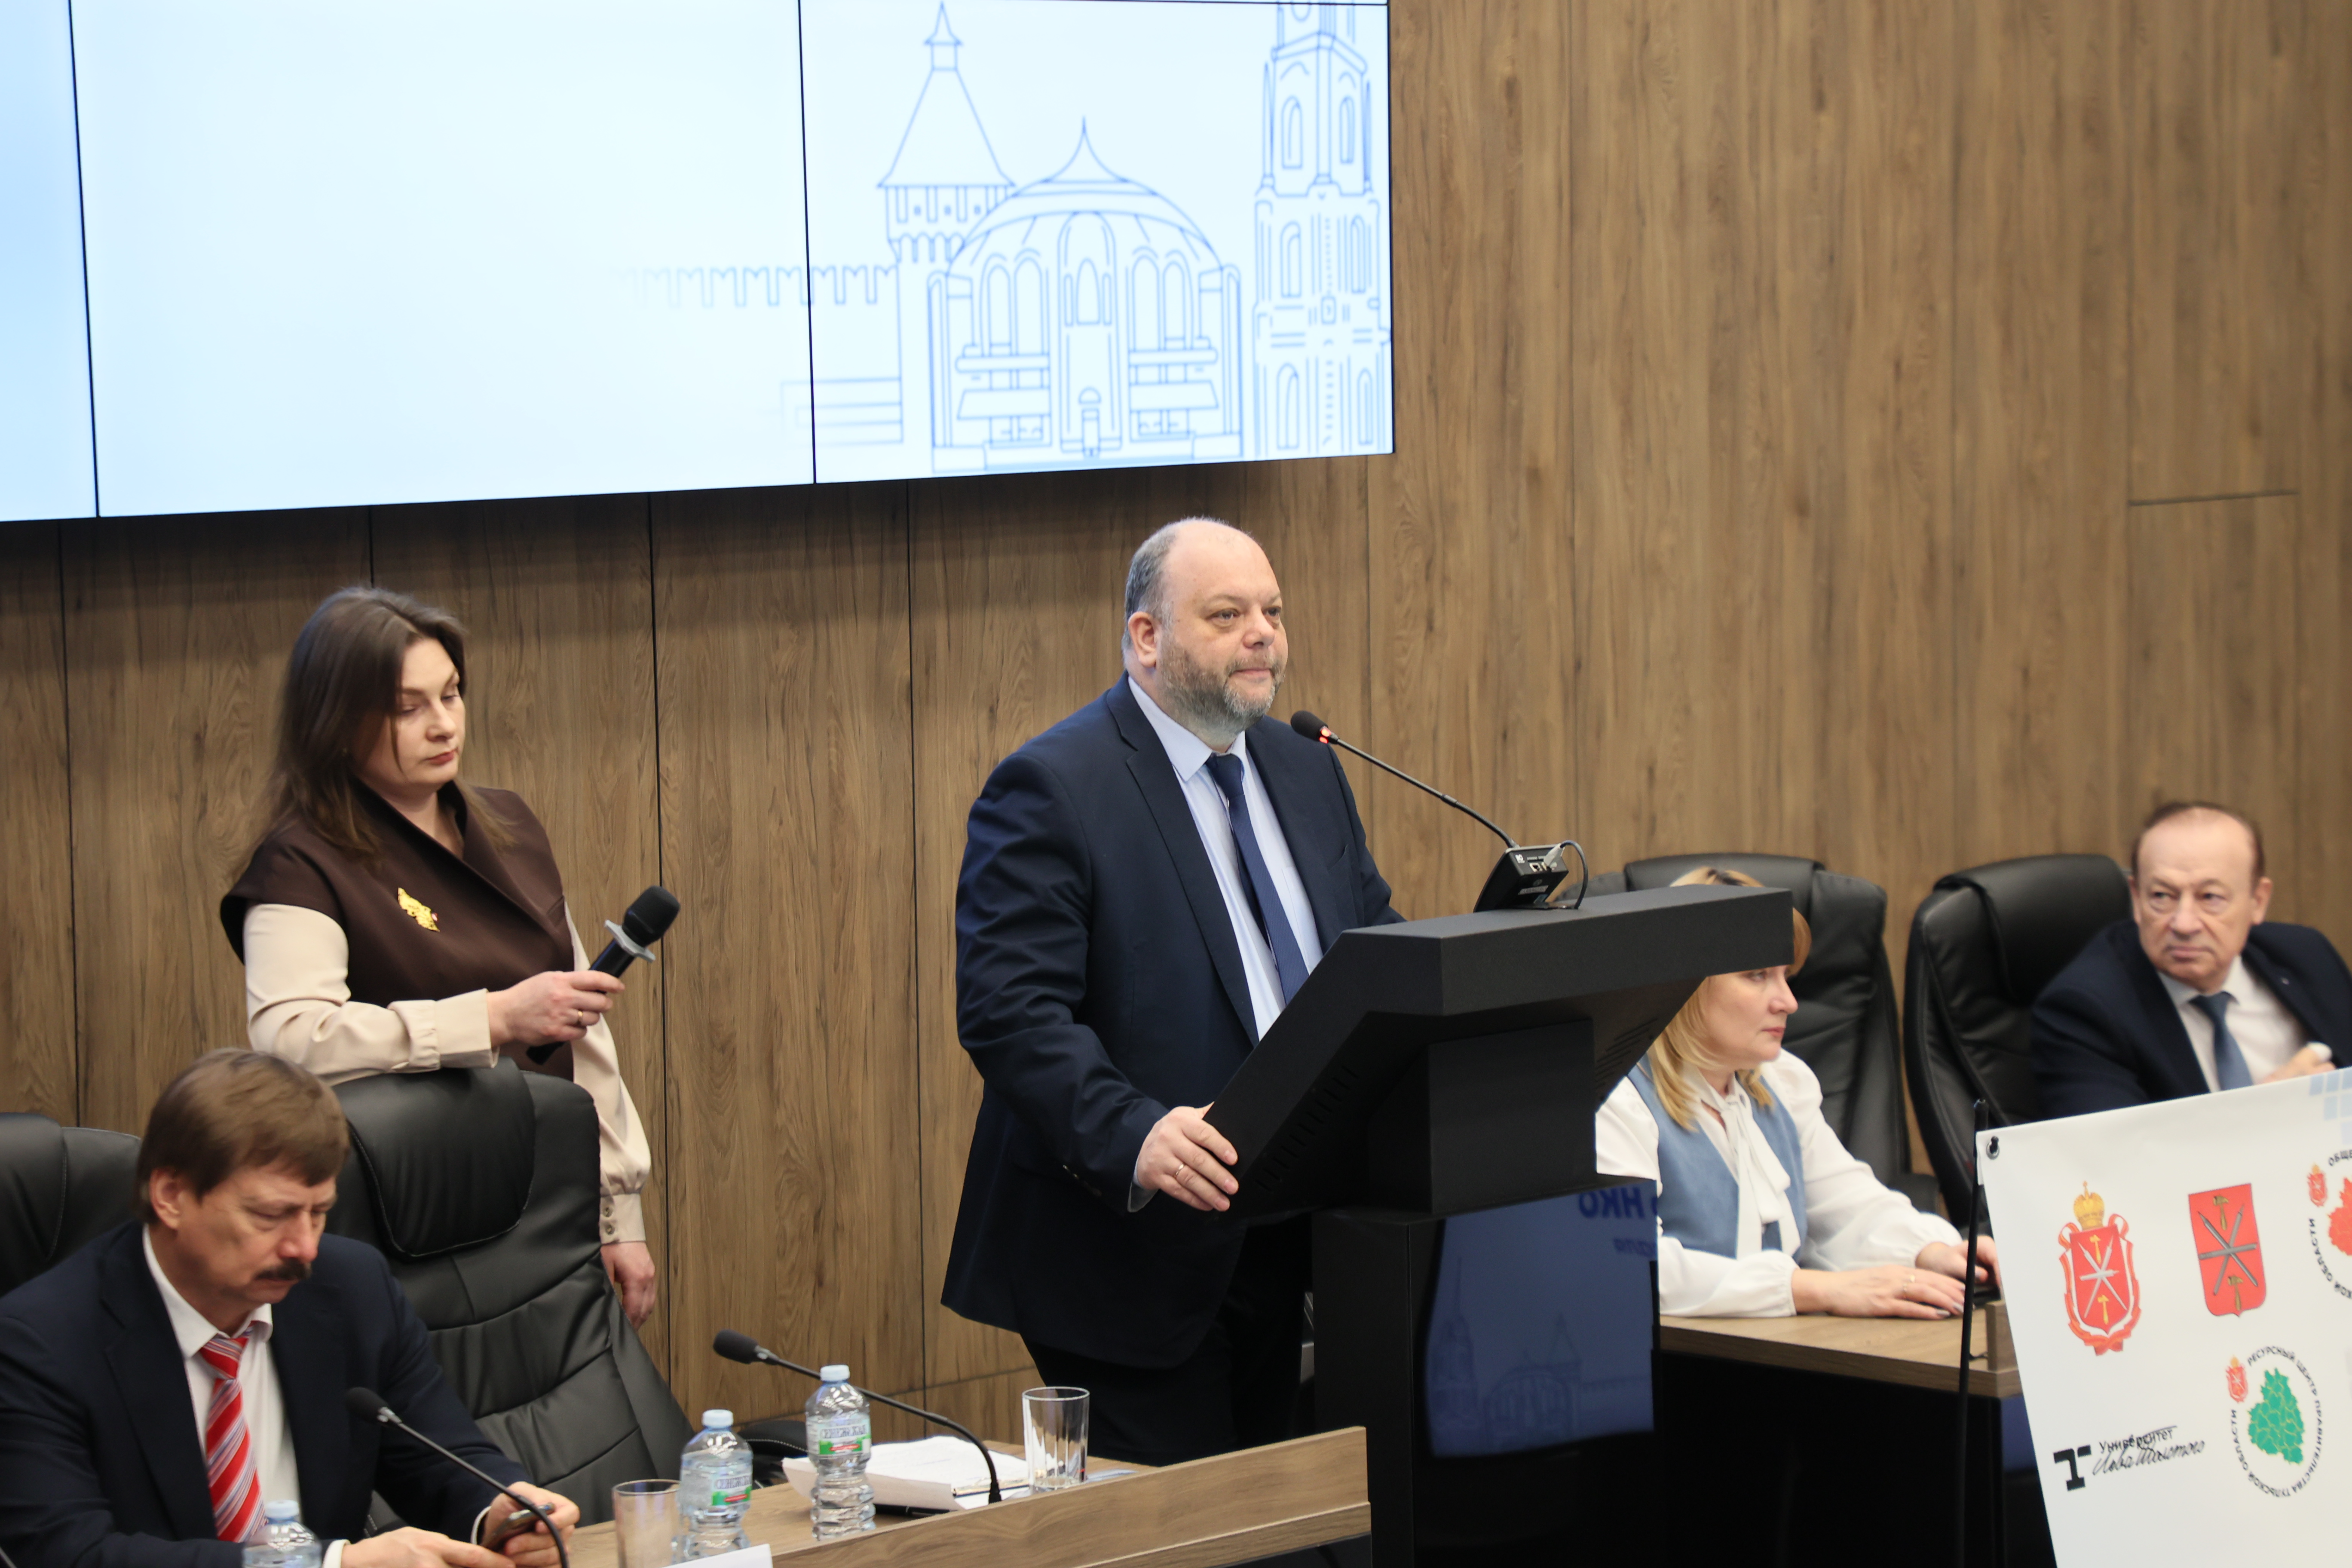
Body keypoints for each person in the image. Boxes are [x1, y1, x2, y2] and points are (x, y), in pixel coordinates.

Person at [940, 517, 1402, 1467]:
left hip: (1293, 1231)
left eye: (1272, 611)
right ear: (1146, 637)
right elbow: (1010, 1012)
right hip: (1129, 1252)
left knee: (1285, 1513)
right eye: (1226, 615)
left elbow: (1370, 952)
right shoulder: (1054, 785)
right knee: (1189, 1524)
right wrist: (1135, 1131)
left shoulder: (1306, 766)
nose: (1262, 634)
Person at [219, 587, 656, 1324]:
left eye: (451, 694)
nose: (444, 723)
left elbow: (584, 1034)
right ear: (335, 721)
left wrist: (619, 1212)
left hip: (546, 1200)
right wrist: (493, 1018)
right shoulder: (300, 863)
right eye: (407, 707)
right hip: (402, 1220)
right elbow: (292, 1037)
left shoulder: (510, 823)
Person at [0, 1050, 580, 1568]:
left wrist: (500, 1509)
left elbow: (439, 1454)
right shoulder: (39, 1341)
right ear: (171, 1196)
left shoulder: (351, 1289)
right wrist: (330, 1567)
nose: (304, 1248)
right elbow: (70, 1553)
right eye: (270, 1216)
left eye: (319, 1213)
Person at [1596, 868, 1997, 1317]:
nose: (1788, 1002)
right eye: (1757, 975)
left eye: (1785, 975)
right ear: (1682, 982)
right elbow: (1628, 1261)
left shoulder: (1779, 1080)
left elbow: (1848, 1206)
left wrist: (1932, 1251)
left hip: (1784, 1346)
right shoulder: (1614, 1097)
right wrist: (1813, 1289)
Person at [2034, 800, 2346, 1118]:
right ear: (2137, 899)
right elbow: (2115, 1149)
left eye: (2210, 897)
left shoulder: (2308, 955)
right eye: (2162, 896)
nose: (2184, 924)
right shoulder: (2084, 1010)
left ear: (2258, 901)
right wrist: (2270, 1114)